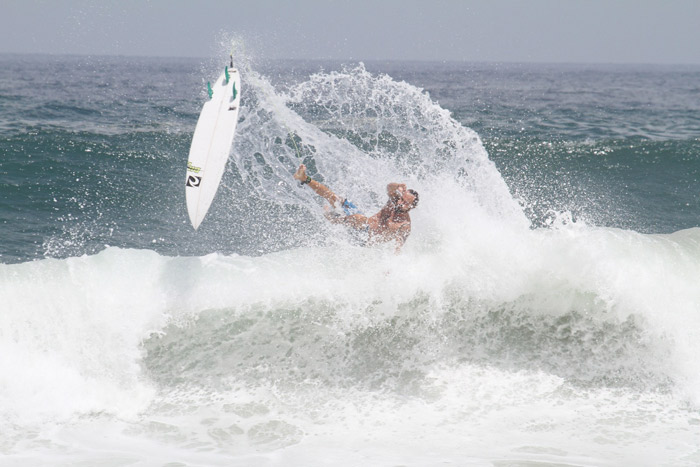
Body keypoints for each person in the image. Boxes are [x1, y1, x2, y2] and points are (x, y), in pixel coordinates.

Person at [294, 164, 418, 252]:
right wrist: (398, 186)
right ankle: (304, 178)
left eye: (406, 202)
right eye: (402, 198)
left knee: (359, 218)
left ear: (412, 206)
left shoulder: (404, 225)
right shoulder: (394, 201)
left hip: (362, 240)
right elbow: (389, 188)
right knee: (336, 199)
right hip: (359, 223)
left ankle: (331, 218)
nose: (401, 202)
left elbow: (398, 248)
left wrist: (390, 267)